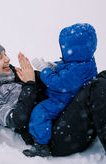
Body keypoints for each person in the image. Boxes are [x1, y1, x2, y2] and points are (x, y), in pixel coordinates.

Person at [0, 26, 106, 158]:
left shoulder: (12, 73)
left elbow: (52, 82)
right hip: (53, 136)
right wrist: (30, 84)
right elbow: (17, 119)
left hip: (64, 112)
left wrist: (50, 67)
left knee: (103, 77)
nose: (7, 59)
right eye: (0, 58)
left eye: (5, 54)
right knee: (96, 87)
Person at [23, 23, 97, 157]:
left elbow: (56, 83)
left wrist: (44, 70)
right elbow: (67, 68)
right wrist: (54, 66)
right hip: (71, 93)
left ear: (73, 50)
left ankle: (41, 145)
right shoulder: (85, 61)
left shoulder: (77, 69)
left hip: (64, 99)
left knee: (40, 111)